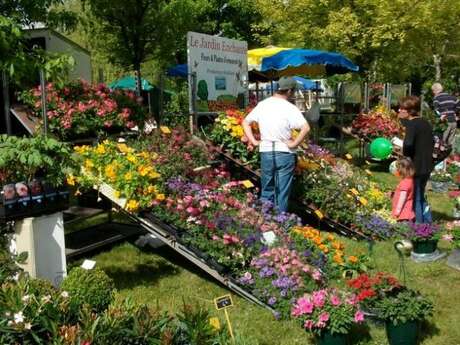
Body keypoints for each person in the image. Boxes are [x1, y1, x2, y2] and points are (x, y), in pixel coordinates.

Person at [242, 76, 310, 212]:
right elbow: (306, 128)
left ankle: (265, 223)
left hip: (266, 151)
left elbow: (245, 122)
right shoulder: (290, 108)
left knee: (267, 189)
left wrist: (254, 141)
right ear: (289, 91)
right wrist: (293, 144)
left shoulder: (263, 105)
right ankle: (281, 224)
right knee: (282, 193)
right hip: (285, 153)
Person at [398, 96, 434, 223]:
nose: (399, 110)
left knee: (415, 198)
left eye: (402, 108)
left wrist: (405, 156)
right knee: (421, 195)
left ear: (409, 110)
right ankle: (427, 222)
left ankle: (418, 227)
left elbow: (408, 144)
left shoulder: (412, 124)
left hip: (416, 166)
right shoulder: (425, 122)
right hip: (427, 165)